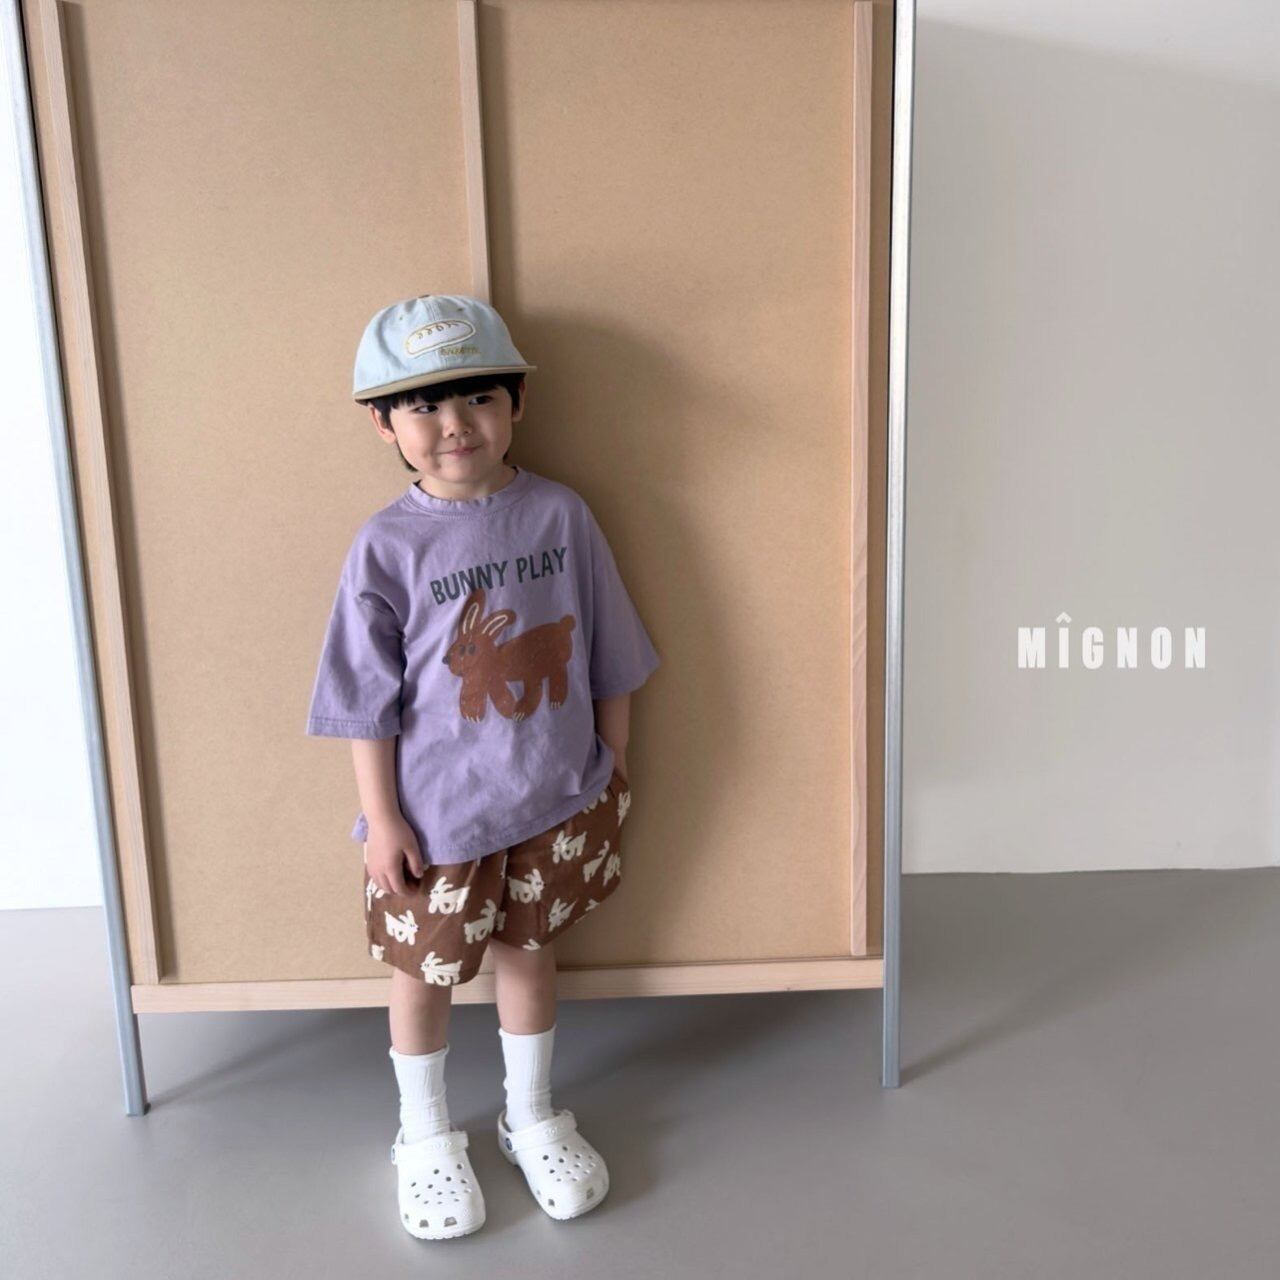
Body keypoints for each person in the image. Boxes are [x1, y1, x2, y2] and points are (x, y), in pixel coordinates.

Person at [304, 293, 661, 1240]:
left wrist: (614, 761)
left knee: (530, 957)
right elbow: (363, 700)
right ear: (383, 424)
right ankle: (423, 1133)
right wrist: (383, 819)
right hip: (437, 821)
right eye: (424, 405)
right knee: (421, 972)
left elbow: (609, 646)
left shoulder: (560, 515)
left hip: (554, 799)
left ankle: (529, 1115)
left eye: (477, 397)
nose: (454, 424)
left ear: (517, 404)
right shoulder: (385, 546)